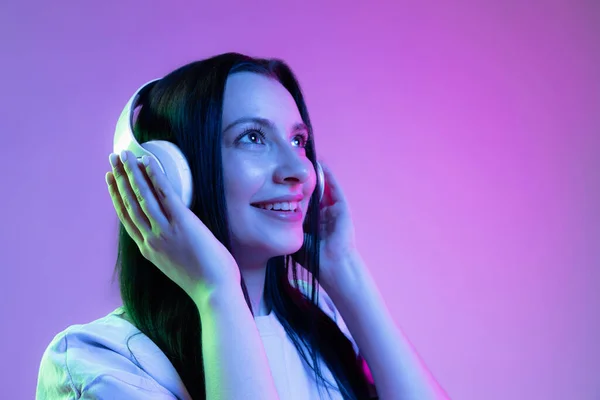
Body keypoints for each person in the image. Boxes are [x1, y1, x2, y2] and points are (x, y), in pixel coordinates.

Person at [36, 53, 448, 399]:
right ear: (167, 174)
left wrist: (344, 269)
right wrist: (218, 293)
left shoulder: (320, 330)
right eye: (252, 137)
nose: (299, 171)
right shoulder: (96, 361)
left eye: (298, 141)